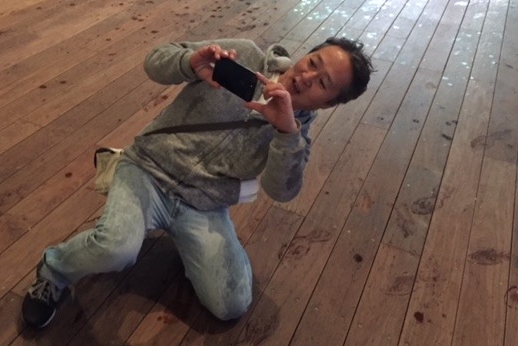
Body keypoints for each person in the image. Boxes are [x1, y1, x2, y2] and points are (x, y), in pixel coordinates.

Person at [21, 36, 374, 329]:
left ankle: (189, 247)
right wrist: (189, 62)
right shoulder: (244, 56)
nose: (307, 77)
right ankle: (54, 270)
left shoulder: (295, 137)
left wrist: (285, 133)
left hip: (202, 205)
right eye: (313, 62)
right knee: (116, 249)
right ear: (306, 54)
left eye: (323, 83)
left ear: (329, 104)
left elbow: (281, 191)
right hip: (147, 169)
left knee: (232, 304)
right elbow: (154, 60)